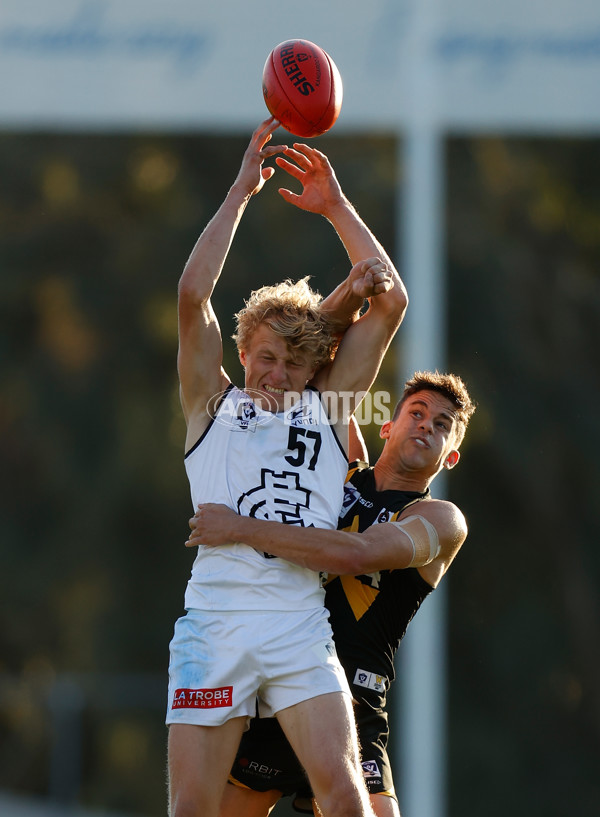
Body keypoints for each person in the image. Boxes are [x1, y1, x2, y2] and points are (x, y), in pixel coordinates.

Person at [167, 115, 408, 817]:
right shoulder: (212, 408)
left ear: (313, 366)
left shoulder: (327, 408)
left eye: (293, 360)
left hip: (298, 623)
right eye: (265, 356)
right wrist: (241, 193)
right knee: (192, 808)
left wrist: (337, 207)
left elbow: (389, 298)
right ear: (244, 352)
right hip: (217, 620)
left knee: (345, 797)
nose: (277, 371)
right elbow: (191, 296)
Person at [187, 370, 476, 817]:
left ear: (451, 456)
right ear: (388, 426)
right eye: (416, 414)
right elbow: (322, 382)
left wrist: (239, 527)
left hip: (354, 703)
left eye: (442, 425)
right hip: (280, 679)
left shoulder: (441, 519)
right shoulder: (336, 471)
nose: (426, 426)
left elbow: (356, 555)